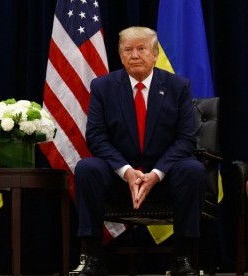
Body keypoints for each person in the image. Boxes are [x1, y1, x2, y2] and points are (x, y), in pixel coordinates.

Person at [74, 26, 206, 276]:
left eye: (141, 49)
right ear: (120, 55)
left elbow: (186, 139)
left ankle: (182, 258)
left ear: (155, 54)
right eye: (128, 50)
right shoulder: (103, 87)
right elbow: (96, 137)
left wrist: (156, 173)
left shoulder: (178, 87)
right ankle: (93, 257)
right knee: (87, 168)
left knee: (193, 170)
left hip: (164, 178)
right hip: (118, 178)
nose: (134, 55)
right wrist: (126, 172)